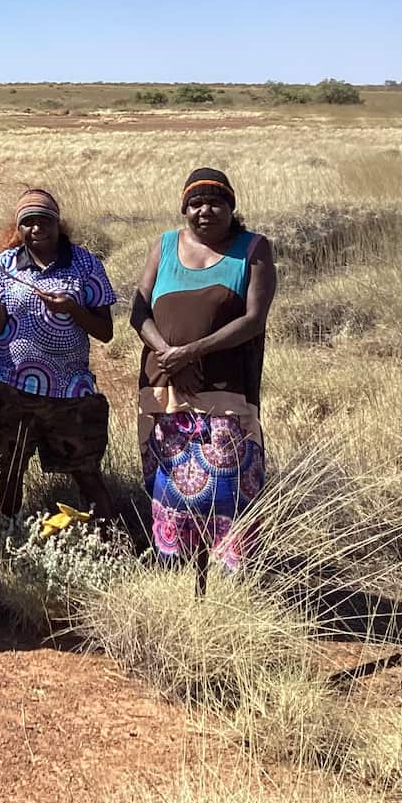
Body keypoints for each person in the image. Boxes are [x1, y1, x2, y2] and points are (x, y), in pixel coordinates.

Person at [130, 168, 276, 571]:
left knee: (227, 493)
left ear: (231, 206)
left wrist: (190, 352)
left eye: (215, 201)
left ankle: (229, 586)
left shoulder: (253, 249)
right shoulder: (164, 246)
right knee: (170, 494)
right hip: (164, 391)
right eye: (196, 203)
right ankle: (178, 581)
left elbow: (254, 319)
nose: (205, 210)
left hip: (224, 394)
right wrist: (169, 356)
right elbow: (139, 311)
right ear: (184, 209)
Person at [0, 188, 119, 522]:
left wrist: (73, 309)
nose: (37, 228)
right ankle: (10, 532)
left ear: (58, 223)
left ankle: (112, 537)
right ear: (18, 228)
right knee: (11, 467)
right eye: (28, 222)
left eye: (45, 221)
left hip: (69, 390)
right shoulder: (5, 263)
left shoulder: (84, 263)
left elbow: (105, 332)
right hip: (12, 385)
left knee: (85, 469)